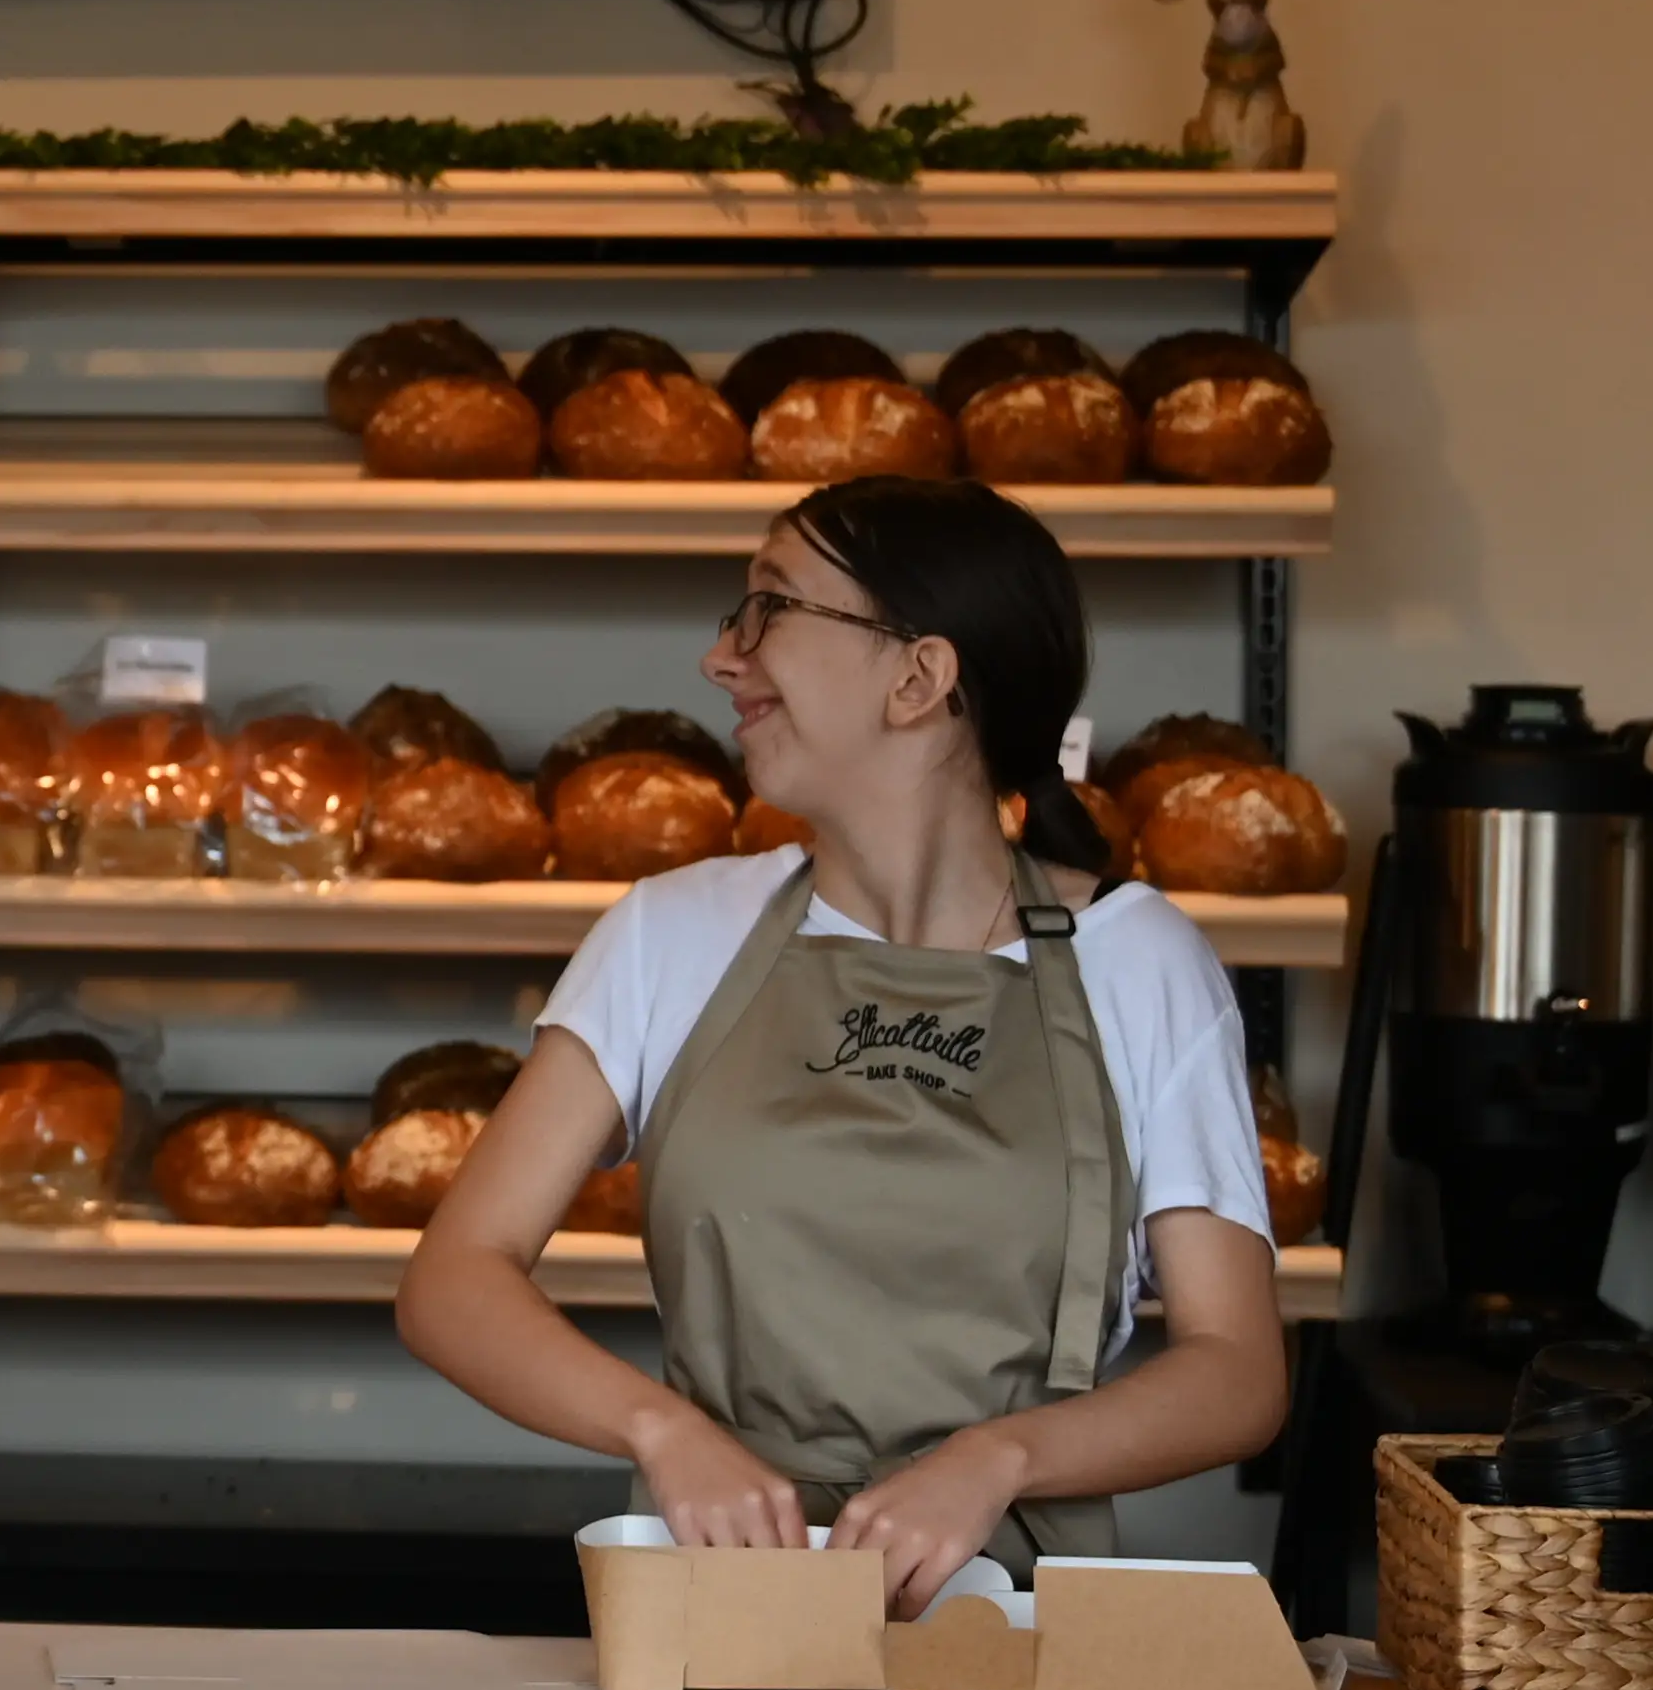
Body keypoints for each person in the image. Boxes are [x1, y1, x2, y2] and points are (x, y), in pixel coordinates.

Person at [395, 475, 1286, 1611]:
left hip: (1014, 1619)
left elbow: (1236, 1370)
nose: (722, 657)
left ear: (918, 677)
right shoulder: (675, 934)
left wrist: (999, 1459)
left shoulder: (1139, 961)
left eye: (769, 608)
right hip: (716, 1603)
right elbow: (454, 1279)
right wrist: (663, 1431)